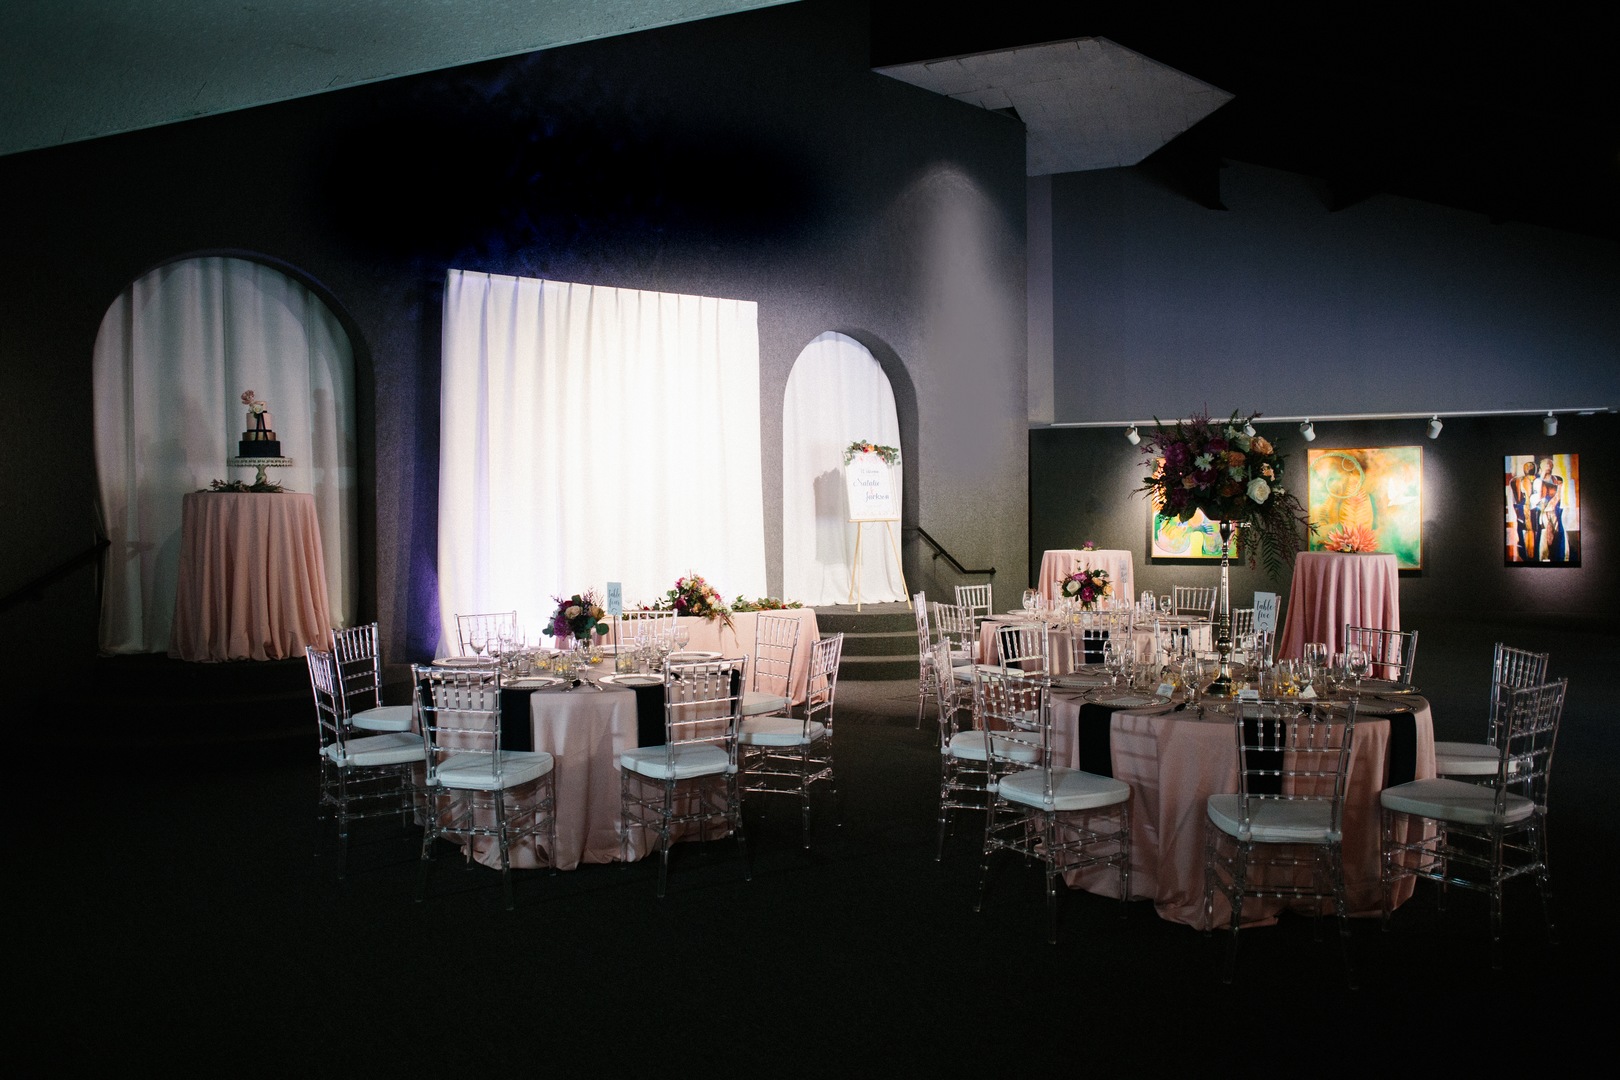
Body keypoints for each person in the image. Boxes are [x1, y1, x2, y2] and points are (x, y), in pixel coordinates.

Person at [1526, 457, 1565, 562]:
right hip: (1542, 513)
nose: (1548, 467)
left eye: (1550, 465)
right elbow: (1535, 498)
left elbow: (1558, 497)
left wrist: (1551, 506)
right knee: (1544, 535)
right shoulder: (1537, 481)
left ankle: (1556, 558)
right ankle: (1543, 558)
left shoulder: (1557, 480)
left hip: (1554, 511)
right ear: (1541, 468)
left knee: (1556, 535)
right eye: (1546, 465)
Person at [1507, 460, 1537, 561]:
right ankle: (1528, 556)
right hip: (1524, 511)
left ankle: (1529, 556)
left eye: (1530, 467)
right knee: (1528, 532)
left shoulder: (1517, 480)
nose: (1528, 469)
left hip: (1525, 511)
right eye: (1528, 467)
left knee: (1529, 532)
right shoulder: (1520, 480)